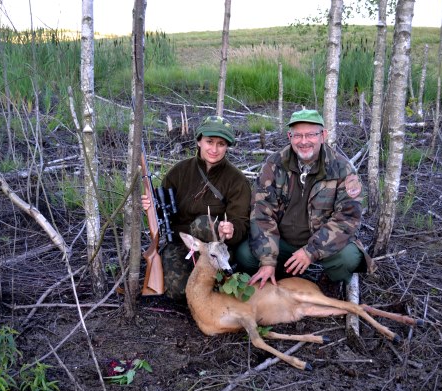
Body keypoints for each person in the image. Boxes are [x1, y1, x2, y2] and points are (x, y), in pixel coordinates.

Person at [235, 109, 375, 297]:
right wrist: (267, 260)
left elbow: (348, 218)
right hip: (283, 241)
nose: (304, 141)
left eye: (311, 134)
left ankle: (328, 281)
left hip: (320, 243)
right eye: (297, 135)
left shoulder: (342, 168)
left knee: (349, 258)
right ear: (289, 136)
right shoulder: (274, 165)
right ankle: (279, 273)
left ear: (323, 135)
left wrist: (311, 251)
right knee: (245, 255)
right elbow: (261, 212)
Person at [141, 115, 251, 302]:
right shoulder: (179, 171)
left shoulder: (237, 180)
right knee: (179, 293)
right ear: (199, 141)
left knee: (202, 223)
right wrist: (150, 208)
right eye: (209, 142)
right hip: (181, 243)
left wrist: (231, 229)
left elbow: (241, 223)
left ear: (227, 146)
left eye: (221, 144)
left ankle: (221, 276)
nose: (214, 149)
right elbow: (162, 215)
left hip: (215, 250)